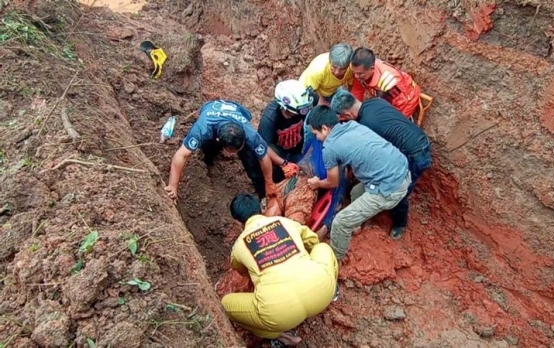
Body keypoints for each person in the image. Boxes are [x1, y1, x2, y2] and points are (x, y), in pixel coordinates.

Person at [222, 193, 339, 347]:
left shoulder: (239, 246)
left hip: (280, 314)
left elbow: (240, 270)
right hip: (321, 292)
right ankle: (334, 292)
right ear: (262, 209)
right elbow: (312, 240)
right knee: (322, 247)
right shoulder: (284, 222)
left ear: (237, 222)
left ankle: (282, 337)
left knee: (225, 304)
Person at [306, 106, 412, 261]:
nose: (317, 138)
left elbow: (332, 182)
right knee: (356, 192)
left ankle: (336, 260)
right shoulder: (352, 125)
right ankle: (356, 224)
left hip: (389, 189)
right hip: (402, 169)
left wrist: (317, 183)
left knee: (340, 223)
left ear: (324, 128)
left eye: (316, 134)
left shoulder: (330, 148)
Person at [330, 89, 432, 240]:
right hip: (420, 139)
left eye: (344, 118)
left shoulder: (366, 125)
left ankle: (400, 224)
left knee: (399, 189)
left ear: (347, 115)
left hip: (415, 155)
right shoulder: (374, 102)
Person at [165, 100, 278, 209]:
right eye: (232, 151)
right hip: (211, 108)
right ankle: (209, 160)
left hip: (237, 109)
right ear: (220, 141)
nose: (235, 154)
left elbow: (264, 157)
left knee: (250, 160)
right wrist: (173, 186)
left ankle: (262, 194)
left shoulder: (250, 133)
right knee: (208, 148)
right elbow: (181, 155)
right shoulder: (202, 128)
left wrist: (269, 183)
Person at [258, 79, 318, 183]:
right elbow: (262, 145)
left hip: (297, 148)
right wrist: (284, 164)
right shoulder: (270, 118)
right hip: (278, 150)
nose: (302, 112)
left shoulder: (305, 100)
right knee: (277, 175)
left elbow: (318, 101)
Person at [349, 47, 422, 119]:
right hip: (386, 98)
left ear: (372, 68)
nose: (356, 76)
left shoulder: (389, 81)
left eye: (359, 74)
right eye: (354, 73)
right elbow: (357, 89)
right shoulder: (359, 69)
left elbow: (402, 106)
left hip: (407, 102)